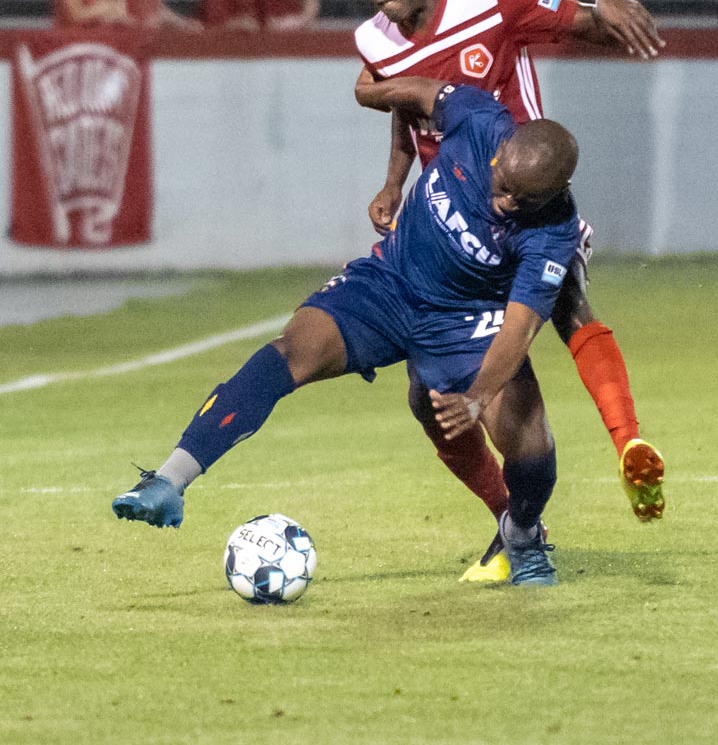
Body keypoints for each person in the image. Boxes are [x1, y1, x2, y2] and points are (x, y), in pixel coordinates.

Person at [113, 79, 582, 587]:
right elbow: (412, 94)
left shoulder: (554, 231)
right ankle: (169, 480)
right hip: (390, 284)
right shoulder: (476, 116)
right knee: (293, 349)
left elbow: (519, 327)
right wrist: (383, 138)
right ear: (502, 149)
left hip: (467, 322)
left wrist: (478, 394)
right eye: (503, 183)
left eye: (522, 199)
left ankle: (524, 534)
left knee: (528, 438)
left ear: (554, 195)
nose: (504, 201)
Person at [337, 0, 665, 580]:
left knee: (545, 322)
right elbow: (411, 110)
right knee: (431, 397)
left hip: (526, 203)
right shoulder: (375, 37)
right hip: (447, 229)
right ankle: (525, 515)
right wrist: (394, 183)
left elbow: (582, 21)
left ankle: (604, 463)